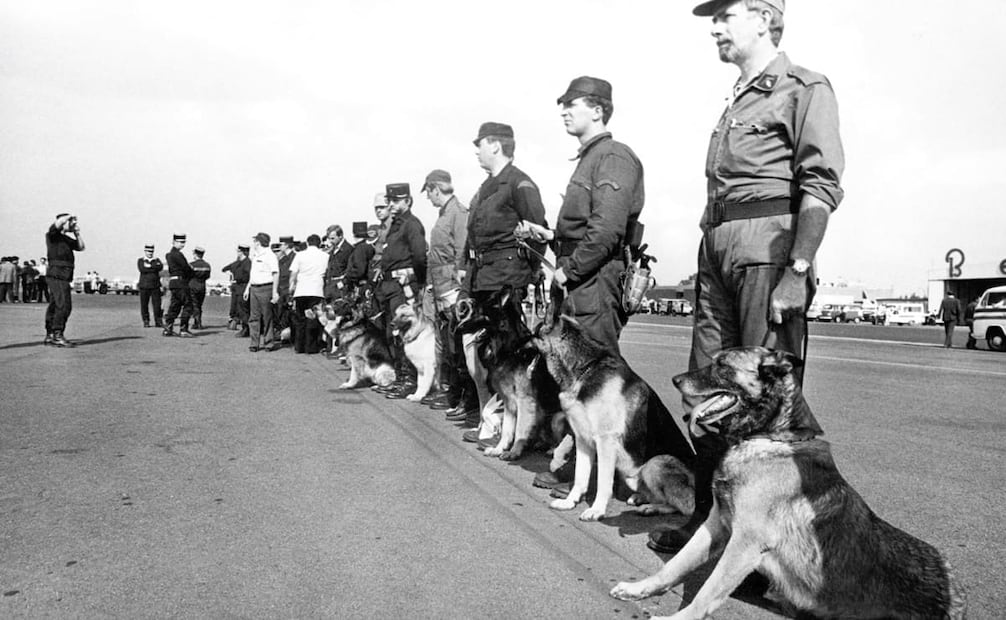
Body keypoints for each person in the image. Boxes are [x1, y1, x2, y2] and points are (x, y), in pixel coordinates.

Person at [649, 0, 845, 555]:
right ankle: (710, 524)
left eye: (725, 14)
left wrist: (797, 269)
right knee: (707, 389)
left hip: (768, 248)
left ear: (763, 18)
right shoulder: (736, 96)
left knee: (764, 403)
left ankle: (770, 544)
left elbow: (820, 186)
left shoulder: (804, 88)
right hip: (717, 248)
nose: (715, 26)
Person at [518, 76, 644, 354]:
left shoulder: (612, 157)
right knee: (573, 368)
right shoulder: (593, 157)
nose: (564, 112)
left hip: (592, 283)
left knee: (594, 367)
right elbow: (585, 228)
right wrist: (552, 236)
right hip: (581, 279)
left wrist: (569, 271)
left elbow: (606, 231)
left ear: (597, 112)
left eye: (571, 105)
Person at [460, 122, 548, 436]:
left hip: (506, 283)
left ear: (496, 145)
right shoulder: (487, 187)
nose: (476, 151)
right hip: (484, 279)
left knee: (507, 359)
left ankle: (506, 425)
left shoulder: (519, 184)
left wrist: (525, 274)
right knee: (482, 356)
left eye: (480, 144)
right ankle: (494, 419)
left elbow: (538, 232)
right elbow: (474, 239)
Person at [420, 169, 470, 411]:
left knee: (455, 344)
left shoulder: (457, 214)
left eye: (429, 192)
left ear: (435, 189)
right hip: (440, 287)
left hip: (451, 287)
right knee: (445, 343)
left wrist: (457, 287)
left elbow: (462, 252)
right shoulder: (445, 214)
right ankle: (449, 391)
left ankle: (458, 396)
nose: (428, 197)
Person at [375, 182, 428, 398]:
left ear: (408, 201)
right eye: (390, 201)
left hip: (403, 286)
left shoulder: (411, 224)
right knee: (392, 333)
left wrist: (419, 283)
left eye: (396, 201)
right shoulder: (394, 226)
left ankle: (409, 380)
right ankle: (399, 376)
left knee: (403, 332)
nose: (392, 205)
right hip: (390, 286)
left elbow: (419, 256)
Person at [44, 214, 85, 346]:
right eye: (70, 222)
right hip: (58, 275)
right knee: (64, 305)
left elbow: (81, 247)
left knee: (55, 304)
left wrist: (77, 233)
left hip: (64, 275)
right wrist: (69, 217)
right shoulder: (53, 235)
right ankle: (57, 333)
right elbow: (58, 223)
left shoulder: (66, 239)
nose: (73, 224)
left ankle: (51, 334)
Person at [289, 233, 329, 354]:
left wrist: (291, 288)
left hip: (301, 290)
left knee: (300, 319)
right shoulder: (325, 256)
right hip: (316, 290)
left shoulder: (300, 255)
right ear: (319, 244)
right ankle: (311, 347)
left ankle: (299, 346)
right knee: (313, 319)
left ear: (307, 243)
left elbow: (293, 273)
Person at [244, 232, 280, 352]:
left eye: (255, 241)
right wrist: (247, 288)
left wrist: (274, 291)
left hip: (266, 287)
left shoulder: (270, 255)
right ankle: (254, 343)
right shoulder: (255, 256)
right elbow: (253, 274)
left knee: (267, 316)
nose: (253, 243)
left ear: (258, 242)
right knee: (254, 317)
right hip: (254, 287)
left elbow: (275, 273)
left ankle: (269, 342)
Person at [162, 233, 195, 338]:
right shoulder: (178, 255)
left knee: (175, 306)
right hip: (181, 283)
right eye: (180, 242)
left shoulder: (169, 255)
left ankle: (168, 328)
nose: (182, 244)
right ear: (174, 242)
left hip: (173, 283)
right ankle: (183, 329)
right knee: (188, 305)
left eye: (183, 242)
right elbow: (186, 268)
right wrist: (191, 271)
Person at [222, 245, 251, 335]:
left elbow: (248, 276)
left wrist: (236, 277)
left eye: (239, 251)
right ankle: (243, 327)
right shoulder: (237, 263)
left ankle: (246, 328)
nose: (237, 253)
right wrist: (231, 275)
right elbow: (224, 269)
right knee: (238, 307)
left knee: (243, 309)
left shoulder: (247, 263)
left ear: (242, 252)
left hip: (243, 287)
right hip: (237, 287)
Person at [274, 236, 297, 346]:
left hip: (289, 290)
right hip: (281, 290)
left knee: (290, 316)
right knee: (282, 314)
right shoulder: (283, 259)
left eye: (281, 244)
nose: (280, 247)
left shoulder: (295, 257)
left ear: (287, 245)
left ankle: (289, 337)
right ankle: (284, 336)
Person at [137, 243, 164, 327]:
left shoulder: (157, 260)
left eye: (151, 251)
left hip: (155, 286)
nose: (150, 253)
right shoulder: (141, 260)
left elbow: (160, 267)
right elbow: (142, 269)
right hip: (144, 286)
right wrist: (153, 268)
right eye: (148, 251)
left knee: (157, 305)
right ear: (145, 251)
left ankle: (158, 321)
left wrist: (149, 266)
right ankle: (146, 320)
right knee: (144, 305)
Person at [324, 225, 354, 301]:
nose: (330, 241)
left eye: (332, 238)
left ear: (340, 236)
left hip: (341, 286)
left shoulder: (348, 249)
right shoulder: (333, 249)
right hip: (331, 284)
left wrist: (343, 283)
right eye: (329, 238)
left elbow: (351, 268)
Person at [188, 246, 211, 329]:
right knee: (199, 305)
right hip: (202, 286)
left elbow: (187, 275)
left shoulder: (191, 265)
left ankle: (197, 322)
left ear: (195, 254)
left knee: (194, 305)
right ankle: (197, 322)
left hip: (192, 285)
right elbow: (208, 276)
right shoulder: (207, 265)